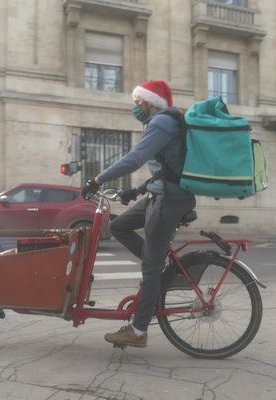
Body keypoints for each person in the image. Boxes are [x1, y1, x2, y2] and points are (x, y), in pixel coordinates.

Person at [81, 79, 196, 348]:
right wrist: (135, 191)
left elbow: (134, 159)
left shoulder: (161, 122)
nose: (136, 107)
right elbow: (166, 169)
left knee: (151, 268)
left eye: (137, 102)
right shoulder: (163, 122)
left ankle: (138, 330)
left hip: (169, 199)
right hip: (161, 192)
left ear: (150, 102)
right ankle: (159, 263)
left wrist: (96, 180)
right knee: (120, 226)